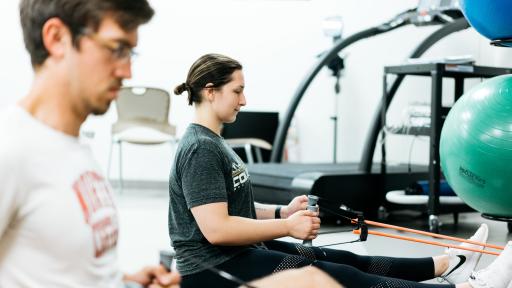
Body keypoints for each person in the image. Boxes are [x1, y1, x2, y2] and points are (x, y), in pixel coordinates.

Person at [168, 53, 512, 288]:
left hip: (239, 253)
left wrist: (281, 211)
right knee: (337, 276)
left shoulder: (214, 142)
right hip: (212, 268)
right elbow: (217, 229)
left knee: (343, 258)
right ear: (211, 92)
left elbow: (230, 208)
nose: (243, 100)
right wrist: (287, 225)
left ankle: (445, 265)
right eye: (237, 91)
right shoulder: (201, 148)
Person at [0, 1, 181, 287]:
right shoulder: (10, 150)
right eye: (117, 49)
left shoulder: (74, 147)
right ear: (57, 38)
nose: (127, 71)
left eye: (130, 52)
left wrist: (124, 281)